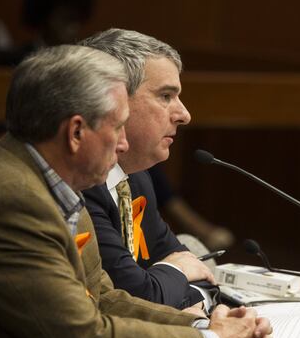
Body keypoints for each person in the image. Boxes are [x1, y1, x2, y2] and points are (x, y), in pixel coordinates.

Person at [0, 45, 272, 338]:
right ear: (76, 132)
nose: (124, 144)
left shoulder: (56, 186)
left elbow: (103, 298)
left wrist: (205, 326)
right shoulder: (11, 202)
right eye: (118, 127)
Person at [80, 29, 223, 311]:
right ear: (113, 101)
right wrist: (177, 276)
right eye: (166, 96)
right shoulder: (81, 186)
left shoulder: (136, 178)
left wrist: (189, 292)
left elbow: (198, 271)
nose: (184, 115)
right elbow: (135, 296)